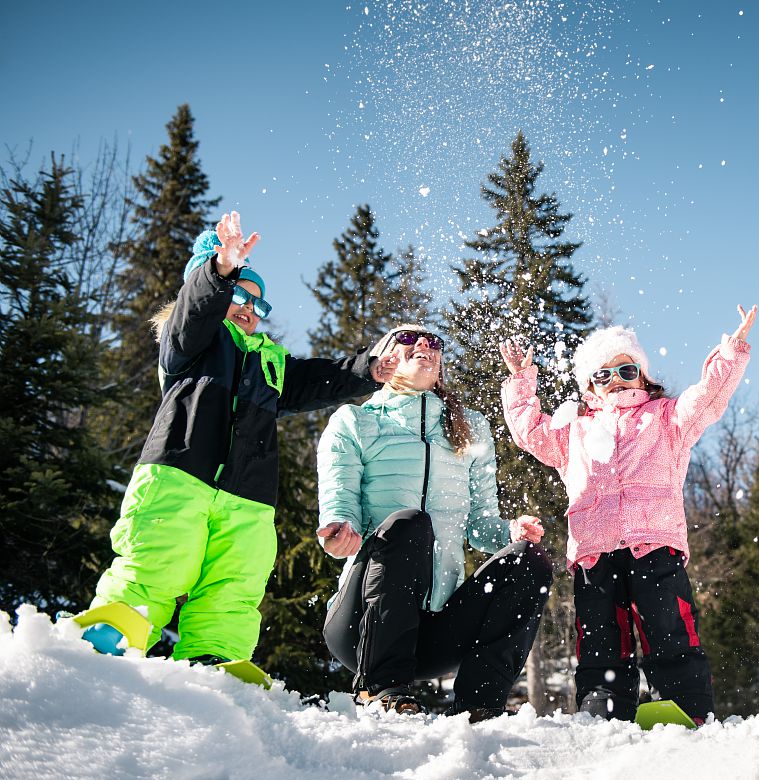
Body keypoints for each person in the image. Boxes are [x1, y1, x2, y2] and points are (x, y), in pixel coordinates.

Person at [88, 211, 398, 664]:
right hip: (181, 476)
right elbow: (195, 310)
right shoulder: (189, 342)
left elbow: (313, 379)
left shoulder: (268, 361)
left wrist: (367, 369)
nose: (249, 309)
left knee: (234, 581)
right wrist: (219, 269)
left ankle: (213, 657)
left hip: (247, 497)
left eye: (258, 304)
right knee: (158, 560)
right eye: (238, 295)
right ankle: (110, 634)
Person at [499, 305, 757, 724]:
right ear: (589, 387)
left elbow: (708, 398)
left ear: (644, 376)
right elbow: (529, 433)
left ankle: (686, 709)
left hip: (654, 545)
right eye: (603, 375)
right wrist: (521, 382)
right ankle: (602, 714)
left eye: (626, 369)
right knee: (600, 641)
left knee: (669, 631)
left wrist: (731, 350)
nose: (616, 380)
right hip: (594, 554)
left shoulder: (668, 418)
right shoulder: (574, 432)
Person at [317, 323, 552, 720]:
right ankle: (381, 688)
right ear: (383, 359)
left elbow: (480, 525)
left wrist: (509, 532)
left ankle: (480, 705)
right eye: (407, 338)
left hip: (435, 633)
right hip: (363, 626)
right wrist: (340, 527)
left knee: (529, 559)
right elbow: (339, 500)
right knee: (410, 523)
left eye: (434, 342)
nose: (424, 344)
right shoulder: (356, 422)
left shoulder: (469, 427)